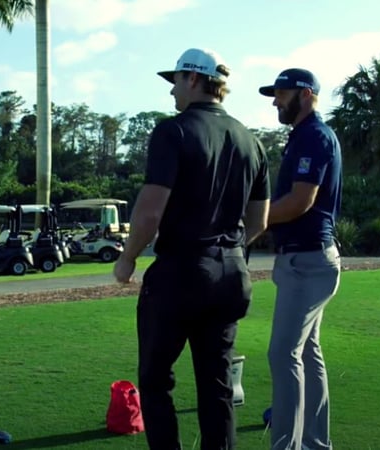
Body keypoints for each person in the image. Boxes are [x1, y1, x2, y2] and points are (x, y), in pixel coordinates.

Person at [114, 48, 270, 450]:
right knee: (217, 383)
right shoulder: (251, 139)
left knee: (154, 378)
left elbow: (149, 213)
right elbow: (259, 221)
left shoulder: (174, 131)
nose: (172, 93)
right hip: (232, 274)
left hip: (182, 273)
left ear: (195, 80)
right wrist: (228, 252)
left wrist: (127, 258)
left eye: (177, 81)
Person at [258, 68, 343, 450]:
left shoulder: (313, 137)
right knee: (307, 353)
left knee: (282, 353)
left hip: (308, 263)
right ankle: (314, 445)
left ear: (305, 94)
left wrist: (248, 219)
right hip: (304, 260)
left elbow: (298, 203)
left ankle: (289, 447)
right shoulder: (301, 137)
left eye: (281, 93)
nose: (276, 100)